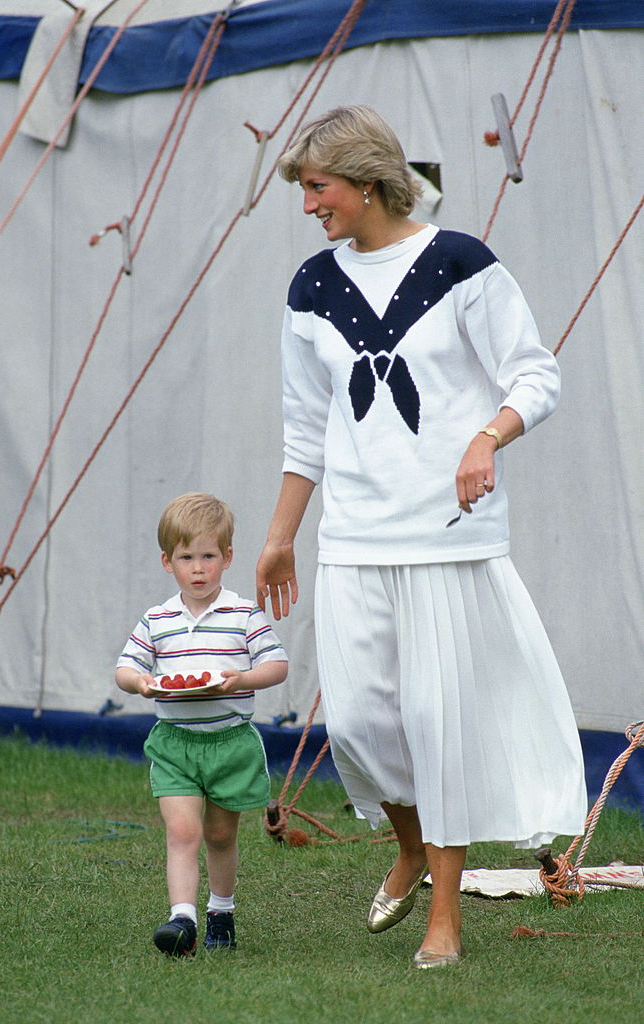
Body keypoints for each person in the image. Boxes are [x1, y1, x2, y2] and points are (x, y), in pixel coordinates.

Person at [255, 106, 587, 969]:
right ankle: (406, 844)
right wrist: (280, 537)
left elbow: (534, 372)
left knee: (438, 725)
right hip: (353, 540)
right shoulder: (309, 287)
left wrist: (487, 436)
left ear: (366, 183)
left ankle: (446, 918)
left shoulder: (459, 263)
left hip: (445, 539)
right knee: (361, 725)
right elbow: (302, 424)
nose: (307, 206)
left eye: (316, 188)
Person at [116, 492, 288, 957]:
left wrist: (241, 678)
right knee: (183, 833)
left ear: (227, 558)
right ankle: (182, 919)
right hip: (175, 743)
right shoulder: (158, 619)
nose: (198, 568)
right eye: (186, 557)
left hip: (229, 741)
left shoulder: (243, 613)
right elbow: (124, 670)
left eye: (208, 556)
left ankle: (221, 910)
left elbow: (277, 665)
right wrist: (143, 683)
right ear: (167, 561)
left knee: (219, 834)